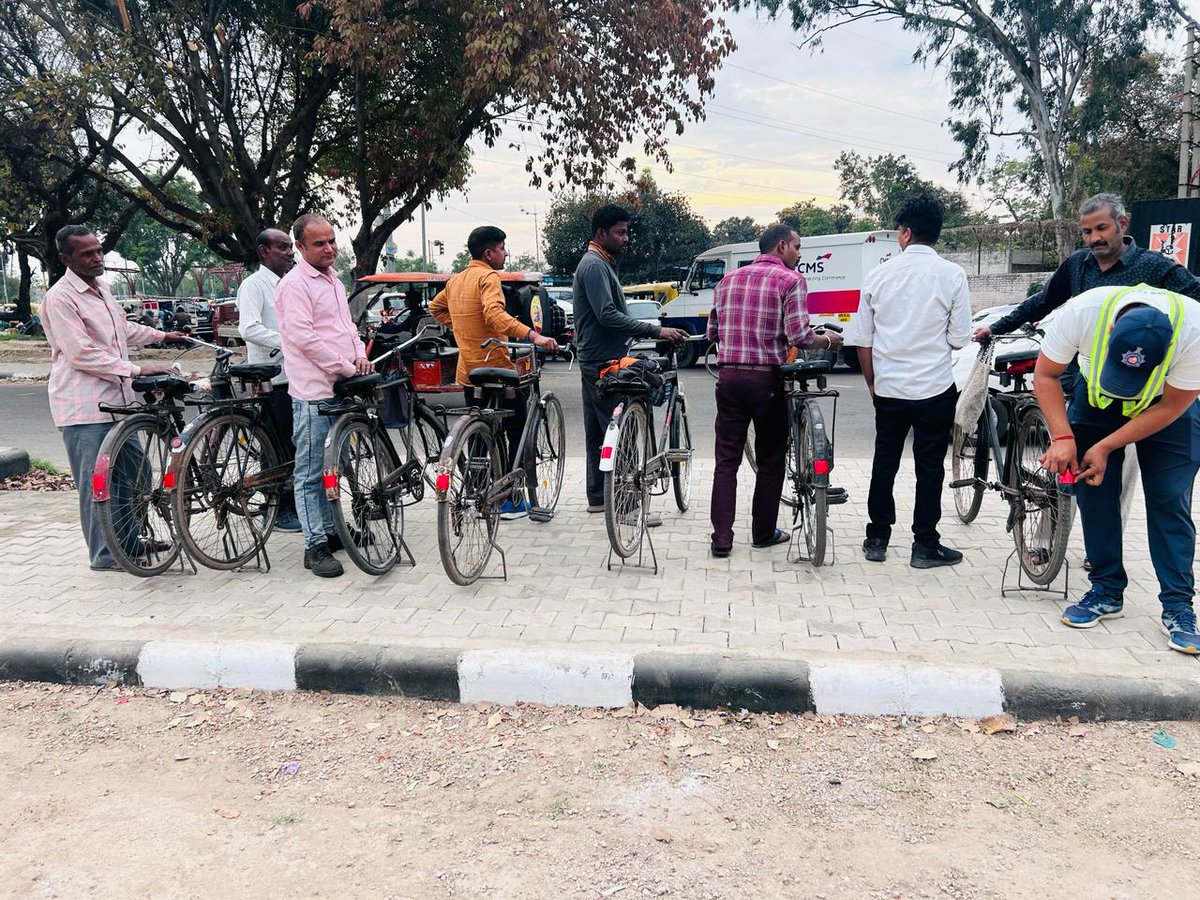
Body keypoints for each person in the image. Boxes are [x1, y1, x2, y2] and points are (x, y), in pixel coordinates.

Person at [974, 193, 1200, 564]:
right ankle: (1048, 542)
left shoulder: (1156, 267)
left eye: (1101, 229)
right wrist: (997, 327)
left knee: (1120, 476)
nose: (1094, 239)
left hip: (1144, 391)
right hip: (1085, 381)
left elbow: (1193, 300)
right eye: (1086, 232)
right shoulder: (1079, 265)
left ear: (1123, 225)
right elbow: (1042, 302)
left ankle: (1104, 556)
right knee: (1065, 461)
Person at [1035, 284, 1200, 654]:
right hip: (1096, 403)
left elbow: (1173, 405)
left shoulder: (1194, 330)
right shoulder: (1082, 312)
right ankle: (1107, 590)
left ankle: (1178, 607)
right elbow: (1045, 376)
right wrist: (1063, 437)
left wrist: (1108, 446)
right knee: (1093, 486)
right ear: (1110, 331)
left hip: (1166, 410)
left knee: (1169, 498)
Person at [39, 225, 187, 571]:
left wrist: (163, 335)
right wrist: (136, 370)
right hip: (84, 406)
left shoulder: (101, 289)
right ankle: (106, 555)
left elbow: (123, 331)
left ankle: (130, 541)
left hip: (117, 403)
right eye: (86, 253)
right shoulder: (61, 298)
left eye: (98, 250)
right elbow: (82, 353)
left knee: (135, 474)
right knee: (98, 483)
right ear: (66, 259)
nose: (96, 258)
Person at [848, 194, 972, 568]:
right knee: (929, 466)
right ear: (935, 234)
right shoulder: (952, 275)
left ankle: (877, 539)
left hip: (889, 389)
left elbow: (863, 340)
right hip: (934, 389)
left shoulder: (878, 276)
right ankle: (924, 545)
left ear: (905, 233)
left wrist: (872, 382)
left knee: (884, 461)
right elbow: (959, 339)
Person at [705, 223, 842, 556]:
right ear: (781, 247)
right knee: (770, 460)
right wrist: (828, 340)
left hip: (729, 379)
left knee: (726, 461)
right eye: (797, 246)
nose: (799, 253)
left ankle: (722, 540)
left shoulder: (727, 281)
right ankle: (763, 532)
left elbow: (712, 333)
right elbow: (801, 337)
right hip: (766, 381)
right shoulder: (790, 281)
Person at [430, 226, 559, 518]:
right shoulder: (488, 276)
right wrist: (533, 336)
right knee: (517, 432)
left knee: (479, 436)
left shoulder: (457, 280)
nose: (505, 253)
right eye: (502, 248)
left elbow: (435, 309)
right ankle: (510, 500)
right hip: (498, 371)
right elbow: (494, 314)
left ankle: (477, 496)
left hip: (468, 373)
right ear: (489, 253)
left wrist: (463, 326)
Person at [274, 214, 373, 578]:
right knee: (311, 473)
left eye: (331, 241)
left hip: (343, 386)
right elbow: (304, 339)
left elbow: (346, 328)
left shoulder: (331, 280)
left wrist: (359, 355)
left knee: (335, 468)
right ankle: (313, 545)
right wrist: (344, 367)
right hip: (314, 391)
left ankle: (333, 532)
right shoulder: (295, 285)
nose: (329, 248)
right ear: (300, 247)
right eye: (319, 243)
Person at [572, 204, 687, 512]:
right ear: (601, 233)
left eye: (626, 232)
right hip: (603, 361)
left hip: (597, 358)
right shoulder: (594, 265)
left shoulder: (601, 262)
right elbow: (607, 315)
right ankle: (625, 505)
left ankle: (598, 497)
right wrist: (656, 331)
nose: (626, 239)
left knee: (598, 432)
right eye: (620, 233)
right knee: (620, 430)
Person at [238, 227, 301, 532]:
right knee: (275, 448)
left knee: (295, 446)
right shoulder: (254, 285)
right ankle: (276, 509)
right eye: (282, 248)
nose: (290, 253)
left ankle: (295, 505)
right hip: (271, 380)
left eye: (291, 247)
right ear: (264, 252)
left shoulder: (291, 284)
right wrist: (287, 340)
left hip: (297, 377)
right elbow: (248, 328)